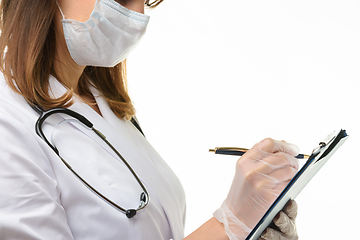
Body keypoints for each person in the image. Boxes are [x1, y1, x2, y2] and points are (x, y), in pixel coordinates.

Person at [0, 0, 299, 239]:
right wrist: (230, 225)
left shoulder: (102, 102)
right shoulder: (7, 122)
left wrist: (253, 228)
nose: (137, 16)